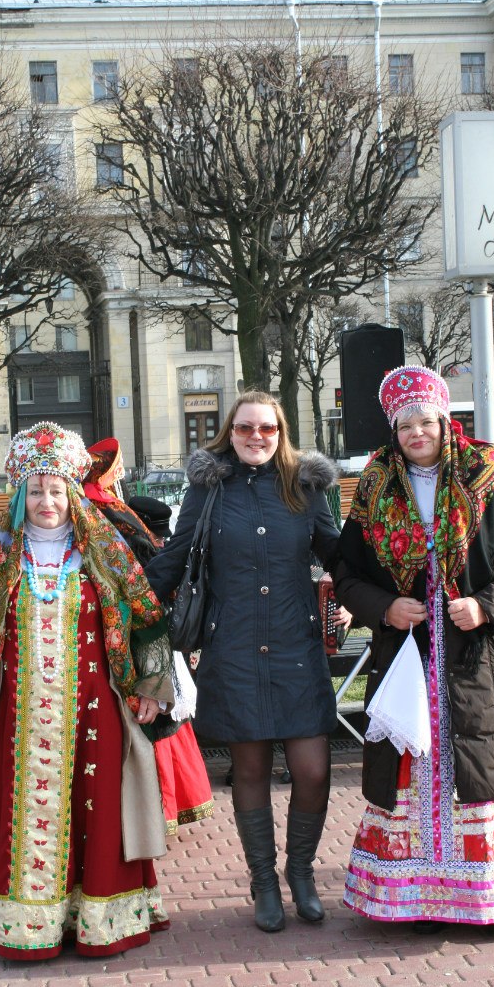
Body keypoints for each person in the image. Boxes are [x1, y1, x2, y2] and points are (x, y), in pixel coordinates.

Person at [0, 421, 174, 960]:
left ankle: (101, 919)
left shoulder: (104, 550)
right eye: (35, 490)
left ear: (72, 494)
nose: (47, 501)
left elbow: (147, 616)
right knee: (16, 814)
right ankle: (25, 924)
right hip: (16, 717)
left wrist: (154, 683)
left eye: (57, 490)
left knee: (100, 806)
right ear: (21, 494)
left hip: (96, 711)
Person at [332, 365, 494, 938]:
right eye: (405, 425)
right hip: (407, 656)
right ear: (393, 430)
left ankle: (484, 902)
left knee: (477, 777)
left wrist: (486, 606)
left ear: (444, 419)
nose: (417, 433)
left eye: (426, 420)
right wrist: (384, 607)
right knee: (411, 777)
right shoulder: (375, 485)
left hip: (476, 658)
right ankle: (414, 899)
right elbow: (346, 573)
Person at [146, 390, 349, 932]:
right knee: (251, 769)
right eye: (244, 429)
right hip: (232, 647)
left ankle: (300, 873)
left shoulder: (306, 487)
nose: (255, 437)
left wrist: (366, 589)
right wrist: (125, 604)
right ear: (228, 433)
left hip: (295, 647)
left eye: (266, 428)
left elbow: (339, 555)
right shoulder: (209, 488)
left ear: (281, 432)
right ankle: (263, 882)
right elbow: (173, 556)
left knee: (312, 769)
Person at [82, 437, 214, 835]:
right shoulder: (108, 510)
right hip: (133, 622)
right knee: (146, 710)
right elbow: (146, 566)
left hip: (110, 625)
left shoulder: (92, 506)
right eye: (116, 470)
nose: (119, 477)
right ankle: (155, 809)